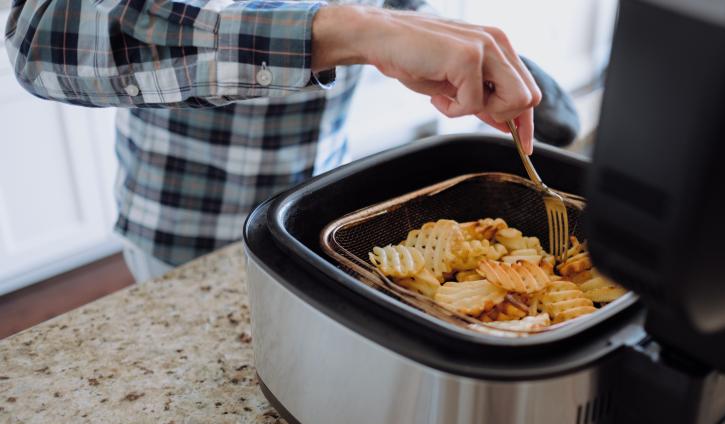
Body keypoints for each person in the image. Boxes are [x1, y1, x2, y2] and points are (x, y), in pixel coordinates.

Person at [5, 0, 542, 282]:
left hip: (320, 209)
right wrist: (355, 31)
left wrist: (429, 31)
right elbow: (43, 35)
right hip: (190, 231)